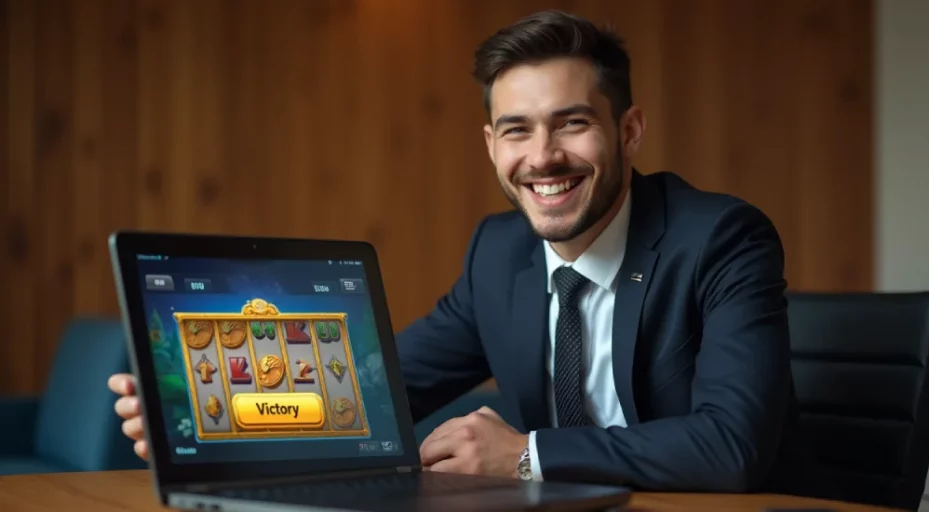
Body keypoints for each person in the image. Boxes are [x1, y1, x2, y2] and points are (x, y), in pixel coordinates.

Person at [109, 10, 835, 498]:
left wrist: (527, 454)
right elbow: (374, 394)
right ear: (492, 145)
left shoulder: (721, 239)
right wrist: (204, 415)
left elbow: (730, 447)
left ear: (630, 130)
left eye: (573, 124)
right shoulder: (499, 252)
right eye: (516, 131)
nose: (543, 157)